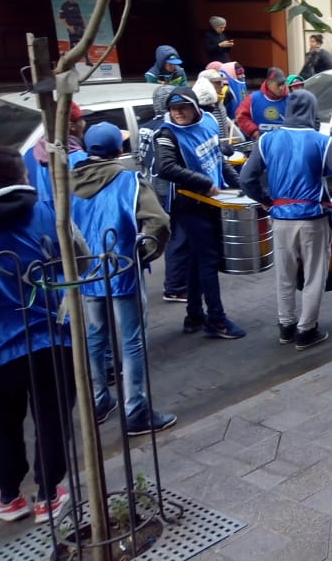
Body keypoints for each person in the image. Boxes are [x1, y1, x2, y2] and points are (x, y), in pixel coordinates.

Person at [72, 123, 176, 435]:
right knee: (132, 340)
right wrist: (145, 254)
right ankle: (136, 411)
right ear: (119, 149)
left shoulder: (68, 183)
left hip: (86, 272)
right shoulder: (130, 181)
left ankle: (98, 400)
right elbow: (159, 222)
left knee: (95, 336)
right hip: (123, 270)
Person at [0, 148, 78, 524]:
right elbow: (80, 257)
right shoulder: (48, 212)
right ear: (21, 176)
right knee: (52, 416)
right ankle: (48, 494)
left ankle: (7, 496)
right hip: (50, 337)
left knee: (0, 423)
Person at [240, 89, 332, 350]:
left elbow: (246, 178)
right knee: (314, 276)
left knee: (284, 275)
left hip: (280, 217)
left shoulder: (266, 140)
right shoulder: (323, 141)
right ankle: (306, 330)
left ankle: (286, 326)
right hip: (313, 219)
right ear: (312, 110)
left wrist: (265, 200)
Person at [155, 88, 246, 339]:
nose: (178, 112)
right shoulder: (167, 134)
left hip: (210, 202)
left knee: (196, 259)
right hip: (189, 204)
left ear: (195, 108)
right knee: (208, 261)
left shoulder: (208, 121)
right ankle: (216, 320)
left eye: (183, 107)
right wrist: (204, 182)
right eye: (173, 108)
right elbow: (165, 167)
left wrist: (240, 185)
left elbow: (217, 159)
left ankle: (194, 315)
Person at [138, 86, 189, 304]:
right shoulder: (167, 129)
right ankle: (175, 287)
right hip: (169, 190)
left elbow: (140, 157)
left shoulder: (144, 127)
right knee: (178, 237)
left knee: (169, 235)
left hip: (151, 187)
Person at [23, 101, 89, 202]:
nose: (84, 123)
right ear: (71, 126)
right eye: (81, 120)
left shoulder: (29, 154)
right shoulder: (81, 161)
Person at [235, 67, 289, 139]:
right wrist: (253, 131)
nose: (281, 88)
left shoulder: (291, 100)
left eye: (283, 84)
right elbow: (240, 116)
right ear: (269, 83)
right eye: (278, 85)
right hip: (260, 143)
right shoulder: (253, 99)